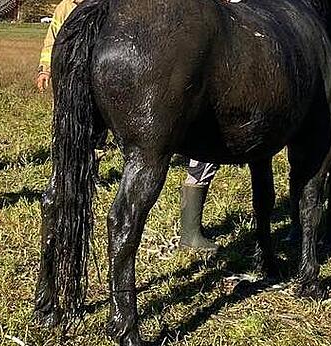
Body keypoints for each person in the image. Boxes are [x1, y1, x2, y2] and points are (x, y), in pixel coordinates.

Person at [36, 0, 218, 251]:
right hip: (75, 79)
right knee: (81, 137)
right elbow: (51, 41)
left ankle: (88, 170)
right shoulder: (66, 8)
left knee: (94, 139)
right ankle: (82, 172)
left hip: (98, 76)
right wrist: (45, 68)